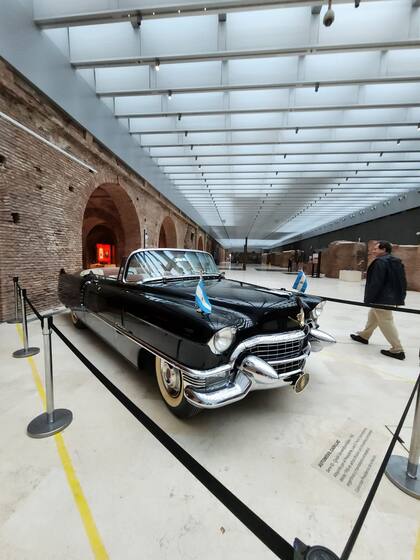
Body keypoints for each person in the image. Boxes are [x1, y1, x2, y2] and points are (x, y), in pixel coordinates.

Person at [350, 240, 407, 360]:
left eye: (376, 249)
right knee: (373, 314)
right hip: (391, 296)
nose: (373, 251)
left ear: (384, 250)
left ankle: (397, 349)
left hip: (382, 297)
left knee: (385, 320)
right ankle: (364, 336)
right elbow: (402, 281)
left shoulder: (380, 262)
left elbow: (376, 283)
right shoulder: (395, 261)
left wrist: (369, 298)